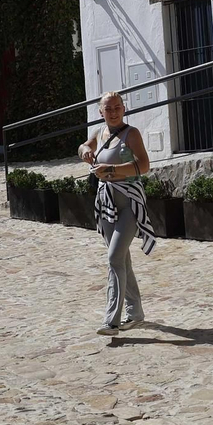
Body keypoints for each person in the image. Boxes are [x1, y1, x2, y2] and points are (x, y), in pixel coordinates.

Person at [78, 91, 155, 337]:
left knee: (114, 258)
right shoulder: (99, 134)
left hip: (130, 204)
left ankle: (111, 320)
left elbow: (144, 165)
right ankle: (136, 312)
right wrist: (84, 152)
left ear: (124, 109)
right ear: (101, 112)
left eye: (116, 107)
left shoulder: (131, 134)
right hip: (106, 205)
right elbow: (84, 146)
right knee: (121, 259)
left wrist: (111, 168)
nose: (112, 112)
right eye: (108, 109)